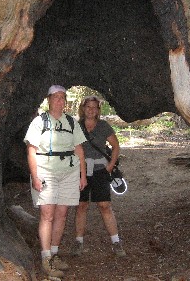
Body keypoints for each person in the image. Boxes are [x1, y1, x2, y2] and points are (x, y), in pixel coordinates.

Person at [24, 85, 88, 279]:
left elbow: (79, 150)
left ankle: (54, 252)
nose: (60, 101)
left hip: (69, 172)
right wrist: (35, 176)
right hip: (46, 171)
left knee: (62, 214)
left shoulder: (71, 122)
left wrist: (82, 175)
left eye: (63, 97)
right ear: (49, 100)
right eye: (56, 97)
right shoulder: (39, 122)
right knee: (48, 214)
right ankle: (46, 258)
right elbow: (31, 150)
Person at [71, 95, 126, 257]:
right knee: (82, 205)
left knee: (104, 205)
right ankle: (78, 241)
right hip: (81, 170)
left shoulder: (103, 126)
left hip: (100, 170)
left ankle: (116, 242)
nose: (91, 110)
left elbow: (115, 146)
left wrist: (110, 166)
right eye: (88, 107)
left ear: (98, 110)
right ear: (83, 108)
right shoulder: (76, 126)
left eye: (94, 107)